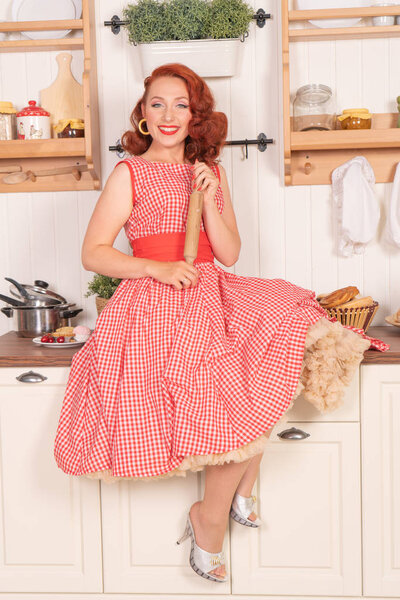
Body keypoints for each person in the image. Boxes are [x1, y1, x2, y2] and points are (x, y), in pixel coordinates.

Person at [54, 63, 388, 584]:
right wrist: (157, 268)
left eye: (181, 105)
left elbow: (229, 253)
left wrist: (209, 193)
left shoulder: (208, 170)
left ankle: (221, 499)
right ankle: (216, 510)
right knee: (220, 387)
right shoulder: (130, 173)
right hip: (157, 298)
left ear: (196, 116)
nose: (169, 115)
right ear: (143, 114)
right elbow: (93, 253)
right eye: (157, 104)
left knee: (289, 329)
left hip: (213, 289)